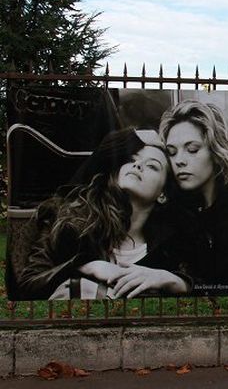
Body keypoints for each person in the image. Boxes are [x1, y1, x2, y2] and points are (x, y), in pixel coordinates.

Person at [18, 128, 191, 300]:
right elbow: (27, 284)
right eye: (131, 159)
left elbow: (207, 285)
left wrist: (171, 280)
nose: (137, 165)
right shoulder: (70, 221)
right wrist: (85, 267)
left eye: (152, 165)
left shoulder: (171, 243)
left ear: (163, 194)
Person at [159, 100, 228, 295]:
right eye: (171, 152)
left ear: (216, 152)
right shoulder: (174, 214)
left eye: (192, 149)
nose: (179, 160)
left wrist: (186, 286)